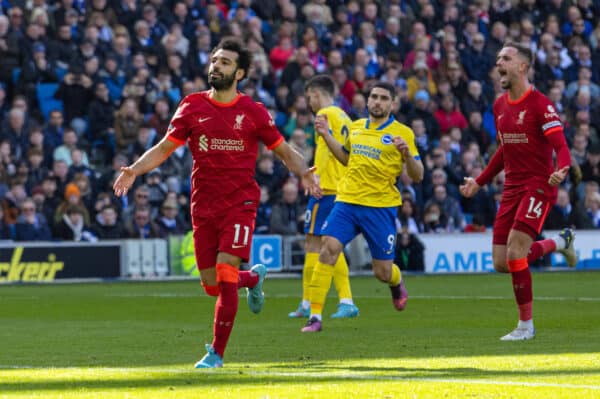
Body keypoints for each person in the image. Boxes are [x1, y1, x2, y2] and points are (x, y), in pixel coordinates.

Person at [113, 37, 319, 367]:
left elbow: (281, 149)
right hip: (203, 205)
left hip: (240, 203)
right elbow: (166, 147)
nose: (216, 66)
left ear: (240, 73)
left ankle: (217, 353)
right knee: (213, 286)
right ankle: (252, 279)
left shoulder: (252, 112)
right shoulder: (192, 105)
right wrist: (134, 170)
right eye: (214, 60)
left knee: (225, 275)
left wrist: (303, 173)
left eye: (224, 62)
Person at [460, 41, 577, 342]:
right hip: (511, 187)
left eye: (506, 58)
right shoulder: (499, 106)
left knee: (515, 251)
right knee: (502, 262)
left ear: (522, 67)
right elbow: (503, 150)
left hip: (539, 185)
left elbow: (560, 146)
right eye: (498, 57)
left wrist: (561, 168)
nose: (499, 62)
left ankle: (526, 326)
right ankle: (559, 242)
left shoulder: (540, 104)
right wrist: (479, 181)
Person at [302, 82, 424, 332]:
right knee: (328, 248)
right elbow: (346, 158)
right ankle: (315, 317)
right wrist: (327, 136)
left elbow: (418, 175)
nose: (377, 102)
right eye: (374, 97)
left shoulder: (403, 133)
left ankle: (396, 282)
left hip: (380, 207)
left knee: (382, 272)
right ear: (367, 101)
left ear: (392, 104)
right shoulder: (356, 128)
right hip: (347, 201)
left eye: (383, 98)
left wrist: (408, 156)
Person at [288, 74, 359, 320]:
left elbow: (329, 152)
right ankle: (308, 301)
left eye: (309, 97)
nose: (309, 102)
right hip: (339, 187)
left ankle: (344, 300)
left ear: (317, 94)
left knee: (325, 246)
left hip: (328, 189)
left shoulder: (324, 115)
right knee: (314, 245)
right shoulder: (345, 117)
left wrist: (317, 178)